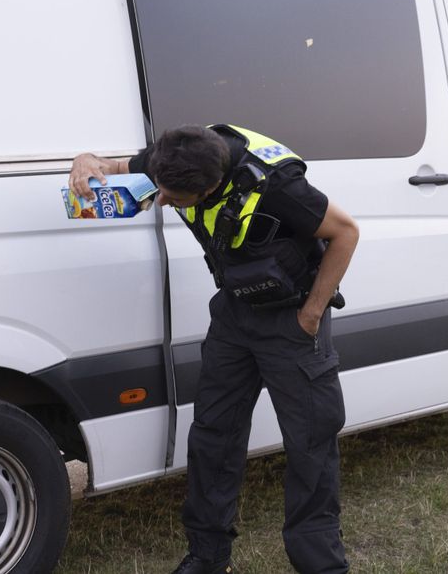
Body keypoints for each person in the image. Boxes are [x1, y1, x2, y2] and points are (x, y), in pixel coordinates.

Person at [70, 124, 359, 574]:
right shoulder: (173, 159)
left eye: (174, 197)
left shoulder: (280, 189)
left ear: (209, 186)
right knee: (213, 438)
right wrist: (88, 160)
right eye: (160, 190)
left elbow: (345, 233)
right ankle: (208, 557)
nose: (162, 200)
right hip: (234, 315)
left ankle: (321, 566)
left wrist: (312, 313)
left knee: (310, 446)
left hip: (292, 317)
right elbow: (113, 166)